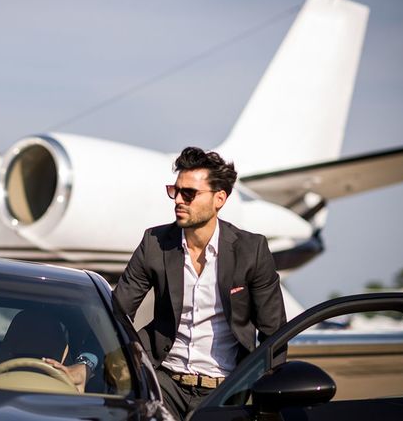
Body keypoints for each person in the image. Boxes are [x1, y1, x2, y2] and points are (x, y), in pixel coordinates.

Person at [113, 146, 286, 420]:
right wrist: (93, 361)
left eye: (189, 193)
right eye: (175, 190)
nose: (178, 200)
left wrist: (269, 401)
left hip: (226, 390)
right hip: (163, 381)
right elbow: (117, 312)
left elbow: (273, 333)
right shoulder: (154, 243)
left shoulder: (251, 250)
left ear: (220, 198)